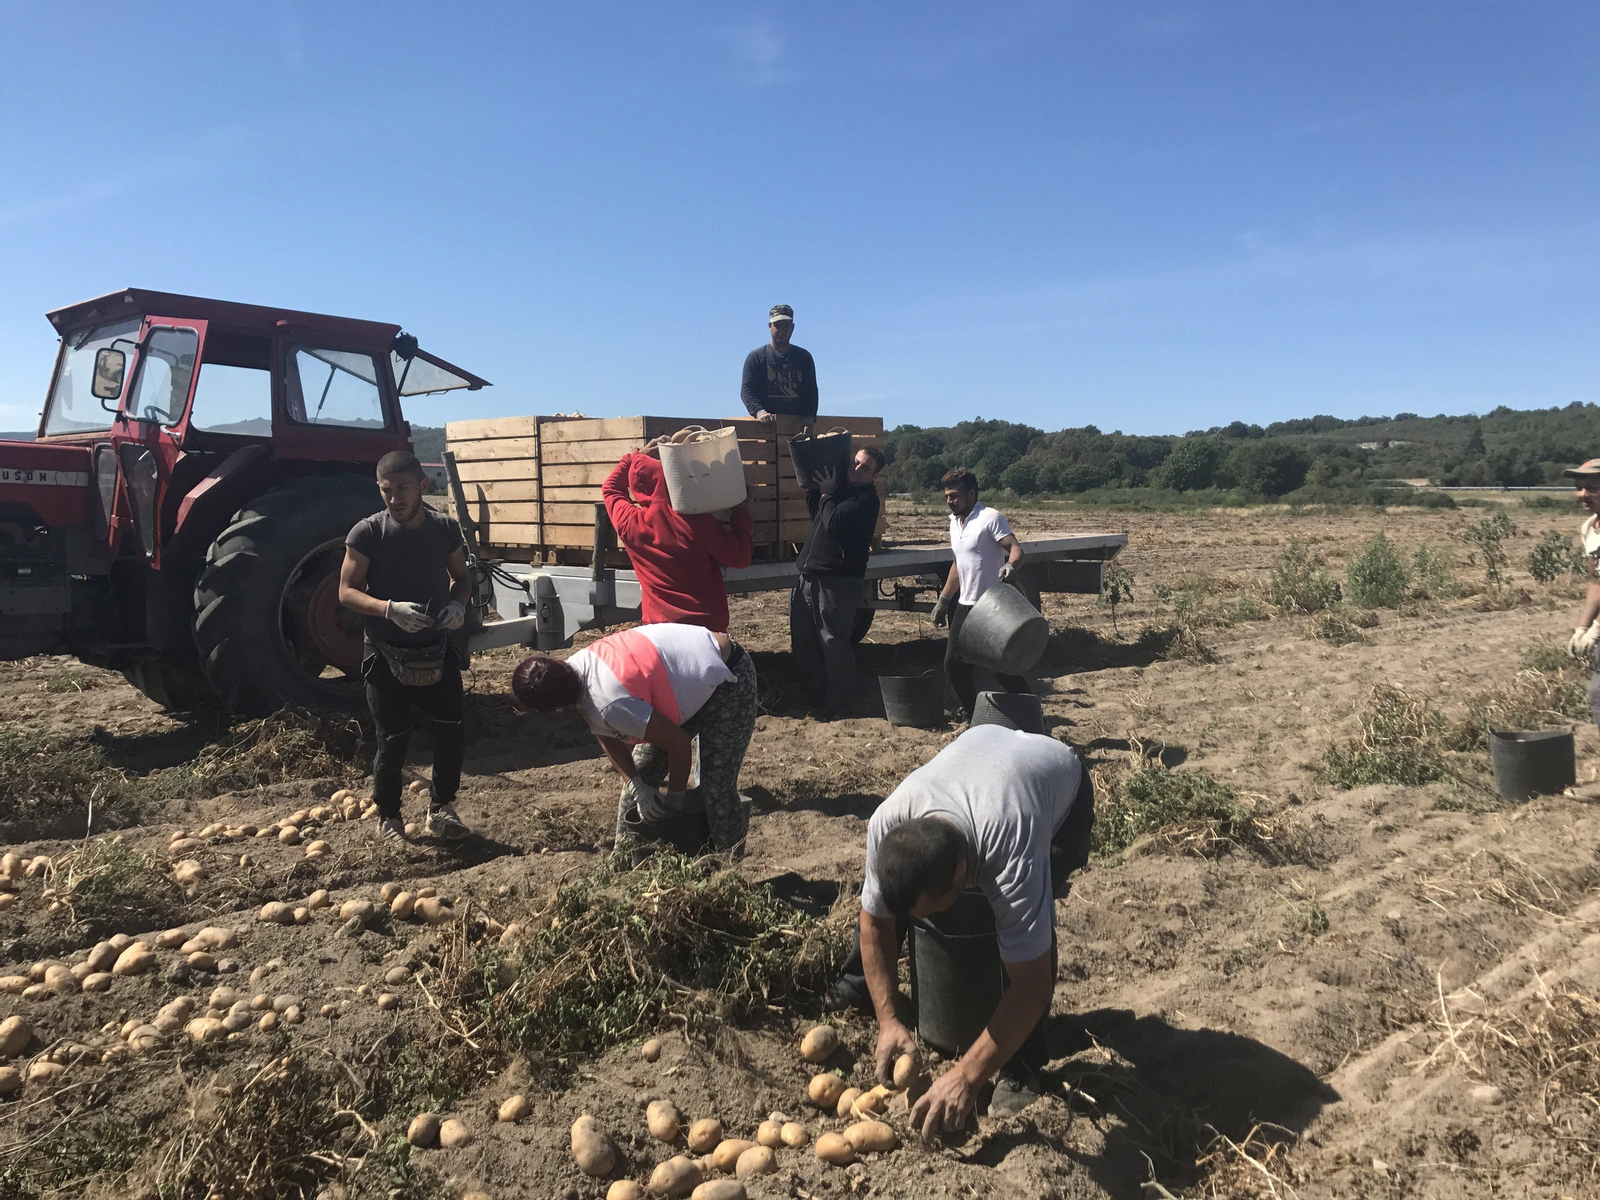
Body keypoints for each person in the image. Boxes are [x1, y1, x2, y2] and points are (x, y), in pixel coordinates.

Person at [831, 701, 1093, 1137]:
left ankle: (1022, 1062)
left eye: (929, 909)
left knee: (1029, 931)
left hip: (1056, 786)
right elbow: (874, 922)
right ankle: (861, 990)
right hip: (983, 756)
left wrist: (966, 1077)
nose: (922, 920)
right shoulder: (886, 824)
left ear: (960, 873)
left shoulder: (1012, 844)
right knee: (903, 914)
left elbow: (1034, 983)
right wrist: (889, 1018)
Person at [509, 623, 758, 855]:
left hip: (727, 676)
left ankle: (729, 865)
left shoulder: (609, 701)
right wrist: (636, 786)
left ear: (555, 708)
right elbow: (604, 733)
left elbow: (679, 744)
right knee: (638, 782)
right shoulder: (572, 673)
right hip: (682, 683)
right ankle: (624, 863)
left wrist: (674, 800)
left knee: (716, 788)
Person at [338, 450, 472, 843]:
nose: (395, 498)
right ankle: (389, 817)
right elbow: (346, 592)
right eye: (386, 491)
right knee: (392, 739)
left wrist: (457, 605)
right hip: (384, 651)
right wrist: (388, 609)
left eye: (403, 488)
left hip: (435, 647)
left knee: (451, 733)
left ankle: (442, 809)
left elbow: (463, 578)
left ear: (423, 487)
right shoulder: (367, 533)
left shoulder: (445, 529)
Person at [601, 448, 754, 632]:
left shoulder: (630, 523)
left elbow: (610, 489)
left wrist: (632, 457)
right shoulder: (696, 520)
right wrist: (740, 511)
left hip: (659, 628)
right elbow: (740, 557)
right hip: (705, 626)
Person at [790, 446, 884, 717]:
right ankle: (814, 699)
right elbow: (818, 516)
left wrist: (828, 496)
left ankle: (840, 705)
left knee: (833, 643)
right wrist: (815, 491)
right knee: (803, 640)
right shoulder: (841, 491)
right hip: (809, 575)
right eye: (855, 462)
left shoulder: (865, 500)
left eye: (864, 467)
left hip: (838, 580)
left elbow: (834, 523)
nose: (856, 468)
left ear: (874, 475)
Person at [932, 468, 1029, 719]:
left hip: (992, 606)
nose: (949, 501)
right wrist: (943, 600)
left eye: (954, 496)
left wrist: (1011, 565)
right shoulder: (955, 522)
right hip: (965, 607)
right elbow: (958, 564)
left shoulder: (990, 518)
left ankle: (1033, 714)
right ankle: (976, 717)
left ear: (972, 493)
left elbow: (1015, 548)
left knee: (1001, 667)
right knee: (954, 666)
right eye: (946, 496)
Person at [741, 304, 817, 426]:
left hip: (796, 427)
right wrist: (760, 412)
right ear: (769, 326)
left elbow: (811, 392)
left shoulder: (804, 358)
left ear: (792, 328)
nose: (781, 330)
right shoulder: (756, 357)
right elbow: (747, 390)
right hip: (764, 428)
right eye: (777, 325)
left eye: (786, 326)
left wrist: (809, 418)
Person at [1565, 459, 1600, 713]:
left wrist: (1597, 629)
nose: (1583, 494)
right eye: (1579, 487)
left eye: (1592, 487)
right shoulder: (1589, 528)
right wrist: (1582, 627)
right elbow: (1596, 581)